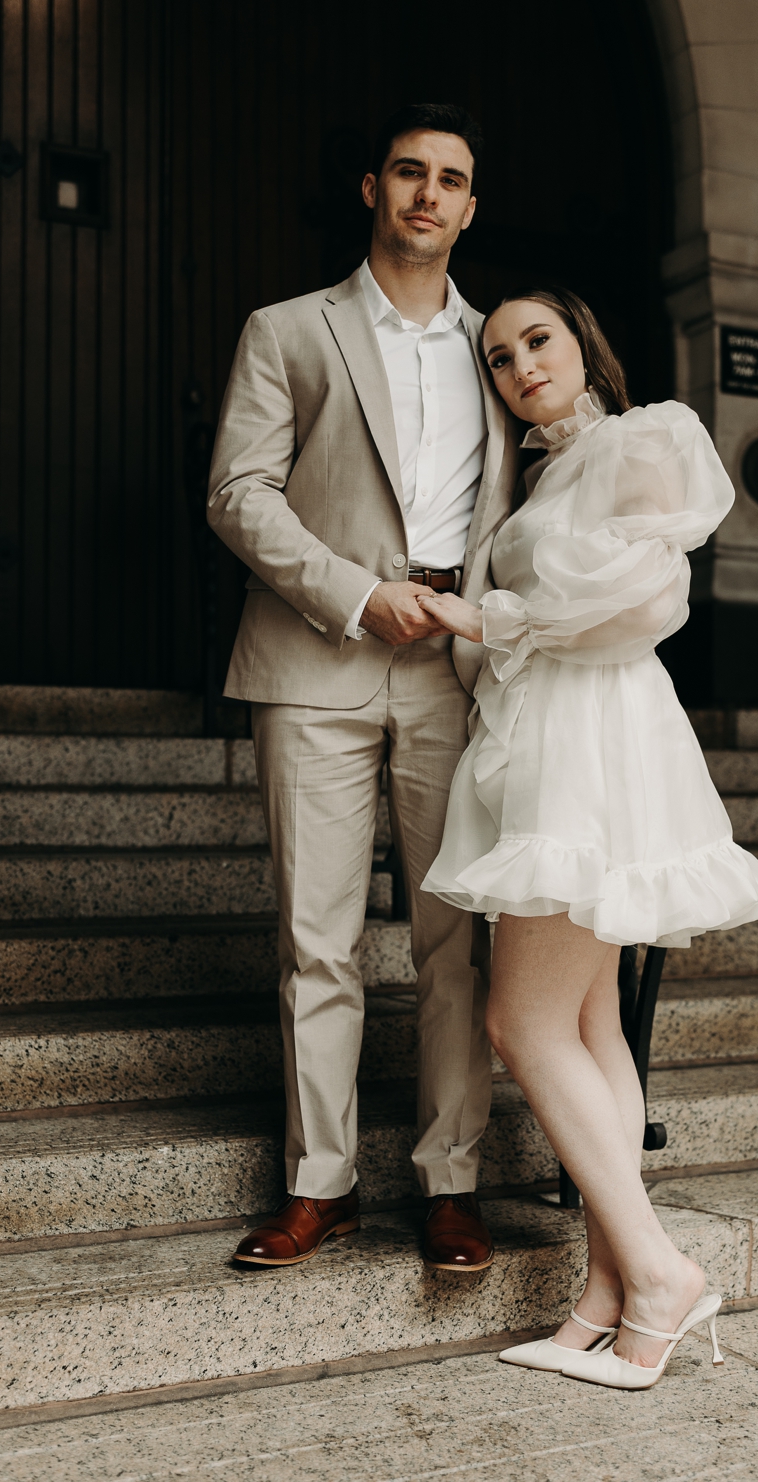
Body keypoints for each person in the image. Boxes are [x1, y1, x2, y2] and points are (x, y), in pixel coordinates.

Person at [413, 285, 758, 1390]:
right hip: (555, 730)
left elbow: (652, 596)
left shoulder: (642, 438)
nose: (522, 363)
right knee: (588, 1023)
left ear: (584, 347)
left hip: (595, 735)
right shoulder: (540, 474)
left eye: (540, 341)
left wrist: (491, 616)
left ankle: (660, 1274)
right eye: (500, 355)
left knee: (518, 1019)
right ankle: (607, 1291)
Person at [206, 103, 524, 1273]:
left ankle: (449, 1180)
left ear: (470, 206)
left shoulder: (504, 347)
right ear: (371, 190)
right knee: (318, 937)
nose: (428, 194)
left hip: (455, 668)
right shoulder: (287, 329)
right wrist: (351, 593)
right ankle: (318, 1182)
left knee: (454, 939)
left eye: (451, 179)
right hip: (317, 656)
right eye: (409, 173)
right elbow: (239, 494)